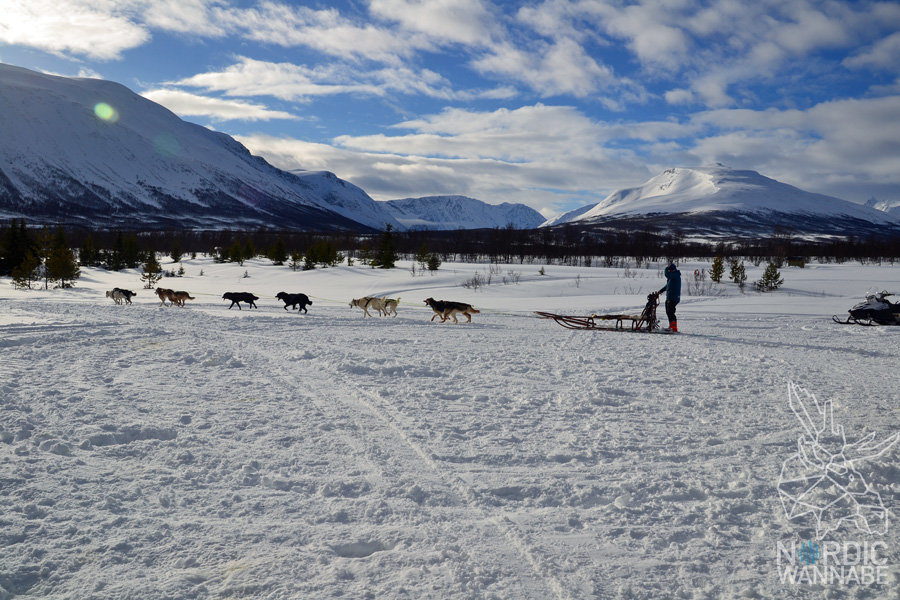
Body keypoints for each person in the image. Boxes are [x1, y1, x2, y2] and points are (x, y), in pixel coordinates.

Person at [659, 262, 681, 332]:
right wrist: (660, 291)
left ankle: (674, 328)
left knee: (670, 312)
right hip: (670, 297)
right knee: (669, 312)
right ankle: (671, 326)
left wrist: (666, 268)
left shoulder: (675, 275)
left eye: (669, 270)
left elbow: (667, 275)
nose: (669, 271)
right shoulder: (672, 277)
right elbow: (667, 286)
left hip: (673, 297)